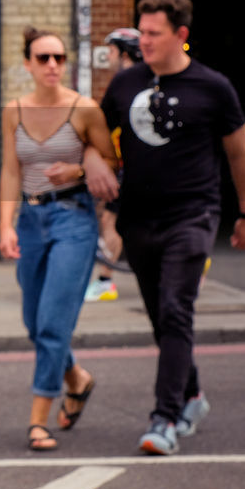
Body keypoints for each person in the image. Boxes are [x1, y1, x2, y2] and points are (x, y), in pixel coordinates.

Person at [97, 0, 245, 456]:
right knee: (161, 317)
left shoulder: (213, 87)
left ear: (180, 35)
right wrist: (94, 161)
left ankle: (164, 419)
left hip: (193, 214)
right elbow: (92, 134)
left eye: (153, 33)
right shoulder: (125, 85)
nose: (143, 41)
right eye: (141, 32)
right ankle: (192, 395)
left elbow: (239, 154)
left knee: (174, 309)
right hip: (138, 219)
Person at [0, 28, 119, 451]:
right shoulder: (13, 110)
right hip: (31, 220)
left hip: (74, 219)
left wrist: (78, 171)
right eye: (43, 57)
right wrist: (5, 224)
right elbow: (11, 169)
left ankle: (38, 421)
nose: (53, 65)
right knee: (34, 322)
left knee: (53, 324)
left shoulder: (84, 109)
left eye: (59, 58)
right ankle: (77, 378)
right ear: (28, 63)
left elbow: (111, 161)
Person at [84, 27, 143, 302]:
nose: (107, 56)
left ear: (124, 52)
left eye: (111, 51)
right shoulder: (144, 80)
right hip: (128, 167)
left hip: (129, 168)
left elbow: (104, 125)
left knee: (111, 221)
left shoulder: (126, 82)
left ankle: (106, 281)